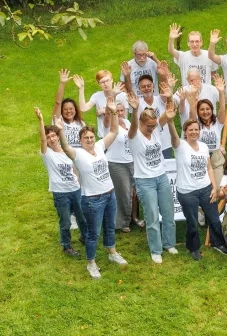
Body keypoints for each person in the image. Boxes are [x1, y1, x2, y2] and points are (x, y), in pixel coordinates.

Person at [55, 97, 128, 280]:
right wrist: (61, 131)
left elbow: (113, 130)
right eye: (85, 137)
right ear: (80, 140)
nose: (89, 139)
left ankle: (112, 252)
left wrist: (112, 111)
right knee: (93, 234)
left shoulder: (100, 146)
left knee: (110, 227)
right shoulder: (77, 153)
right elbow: (64, 146)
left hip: (109, 194)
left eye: (91, 136)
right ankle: (91, 263)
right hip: (92, 200)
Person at [167, 114, 227, 261]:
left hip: (205, 188)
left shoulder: (203, 146)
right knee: (193, 222)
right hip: (187, 192)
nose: (194, 132)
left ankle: (218, 243)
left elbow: (209, 168)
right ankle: (193, 247)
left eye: (196, 129)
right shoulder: (179, 145)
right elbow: (173, 135)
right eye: (191, 130)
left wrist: (214, 188)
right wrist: (170, 120)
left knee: (214, 219)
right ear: (185, 131)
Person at [127, 92, 177, 264]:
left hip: (161, 177)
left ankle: (169, 243)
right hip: (144, 181)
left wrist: (169, 103)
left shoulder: (155, 128)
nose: (152, 128)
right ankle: (156, 250)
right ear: (141, 123)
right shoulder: (134, 136)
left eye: (154, 125)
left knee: (168, 213)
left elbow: (164, 116)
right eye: (149, 126)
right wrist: (134, 111)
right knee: (153, 217)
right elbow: (133, 126)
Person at [35, 107, 87, 258]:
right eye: (48, 137)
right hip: (60, 193)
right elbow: (42, 139)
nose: (51, 139)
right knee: (65, 222)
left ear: (58, 137)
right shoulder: (47, 154)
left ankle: (85, 236)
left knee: (82, 217)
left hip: (75, 190)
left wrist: (78, 182)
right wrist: (41, 120)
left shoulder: (66, 151)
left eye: (53, 136)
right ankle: (67, 246)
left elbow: (74, 168)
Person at [123, 62, 179, 159]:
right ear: (139, 89)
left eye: (149, 86)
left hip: (164, 143)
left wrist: (162, 75)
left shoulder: (160, 99)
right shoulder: (137, 103)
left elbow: (165, 89)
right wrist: (127, 76)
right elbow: (129, 91)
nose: (146, 88)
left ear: (153, 86)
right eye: (143, 87)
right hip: (147, 144)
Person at [103, 100, 139, 233]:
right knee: (122, 193)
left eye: (121, 110)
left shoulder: (127, 123)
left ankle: (133, 218)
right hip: (116, 163)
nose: (119, 113)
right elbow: (107, 122)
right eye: (116, 111)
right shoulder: (110, 125)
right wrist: (111, 110)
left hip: (131, 161)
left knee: (133, 192)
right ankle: (122, 223)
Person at [189, 74, 227, 194]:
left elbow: (222, 109)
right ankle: (202, 212)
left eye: (208, 109)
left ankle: (217, 210)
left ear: (211, 110)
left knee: (220, 191)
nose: (205, 112)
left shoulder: (218, 123)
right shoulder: (196, 125)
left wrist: (221, 93)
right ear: (199, 112)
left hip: (216, 158)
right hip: (200, 158)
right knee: (203, 191)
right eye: (202, 109)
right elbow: (192, 113)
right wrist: (194, 94)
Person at [74, 70, 127, 138]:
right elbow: (83, 108)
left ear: (112, 80)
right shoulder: (97, 96)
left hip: (120, 135)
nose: (105, 84)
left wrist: (103, 111)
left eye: (107, 80)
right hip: (104, 136)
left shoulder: (122, 96)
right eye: (102, 82)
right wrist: (81, 89)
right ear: (99, 84)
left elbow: (124, 117)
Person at [53, 69, 86, 148]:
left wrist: (81, 89)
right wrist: (62, 83)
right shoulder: (58, 121)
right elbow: (58, 102)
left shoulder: (81, 124)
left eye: (71, 109)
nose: (68, 111)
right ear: (61, 111)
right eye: (65, 109)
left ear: (75, 110)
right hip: (63, 157)